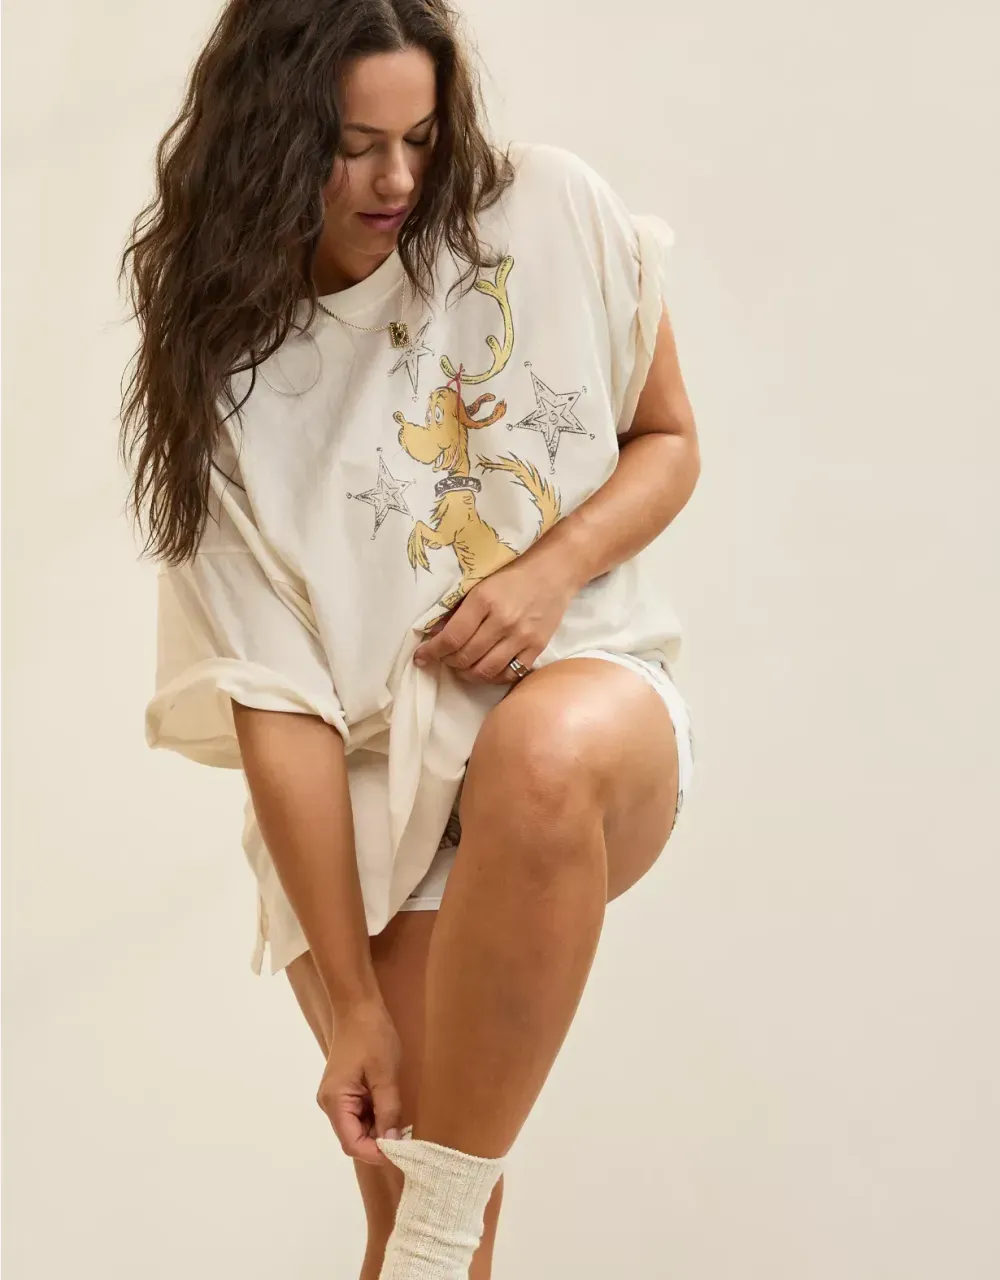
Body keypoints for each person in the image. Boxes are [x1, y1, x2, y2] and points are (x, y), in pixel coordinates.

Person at [119, 1, 700, 1276]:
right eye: (352, 147)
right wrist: (353, 1002)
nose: (396, 179)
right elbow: (281, 706)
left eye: (422, 138)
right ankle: (434, 1232)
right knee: (414, 1212)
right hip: (375, 791)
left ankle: (437, 1228)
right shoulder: (224, 378)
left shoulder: (546, 209)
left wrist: (550, 572)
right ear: (269, 141)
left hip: (591, 701)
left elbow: (666, 439)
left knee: (539, 749)